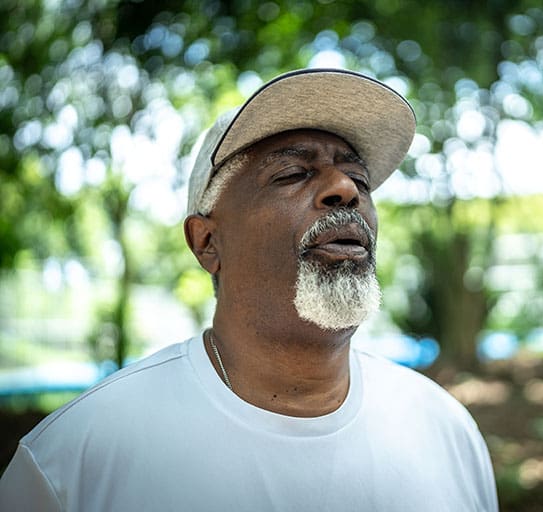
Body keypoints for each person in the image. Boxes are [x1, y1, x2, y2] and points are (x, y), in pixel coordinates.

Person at [0, 68, 498, 511]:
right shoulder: (77, 457)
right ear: (207, 241)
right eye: (293, 173)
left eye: (359, 180)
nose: (345, 190)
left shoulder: (444, 428)